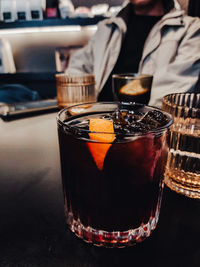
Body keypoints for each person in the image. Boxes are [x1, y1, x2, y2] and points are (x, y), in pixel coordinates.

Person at [65, 0, 200, 107]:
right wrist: (83, 114)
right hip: (95, 128)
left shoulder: (190, 29)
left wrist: (136, 130)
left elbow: (171, 95)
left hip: (146, 134)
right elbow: (77, 69)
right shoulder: (106, 28)